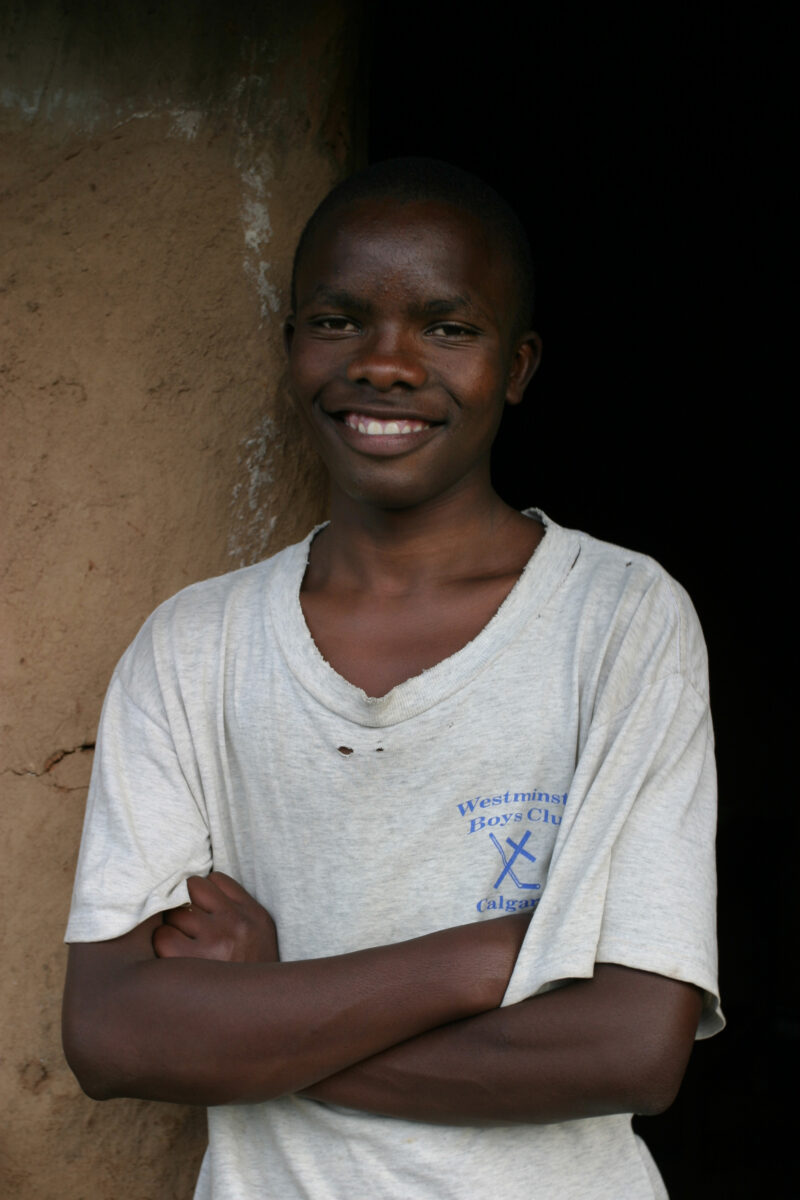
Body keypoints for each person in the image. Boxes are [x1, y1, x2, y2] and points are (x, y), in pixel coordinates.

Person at [62, 158, 722, 1199]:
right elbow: (113, 1036)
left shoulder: (618, 619)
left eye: (447, 328)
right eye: (336, 321)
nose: (385, 363)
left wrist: (266, 1012)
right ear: (289, 349)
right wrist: (493, 958)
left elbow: (628, 1048)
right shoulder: (195, 645)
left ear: (516, 364)